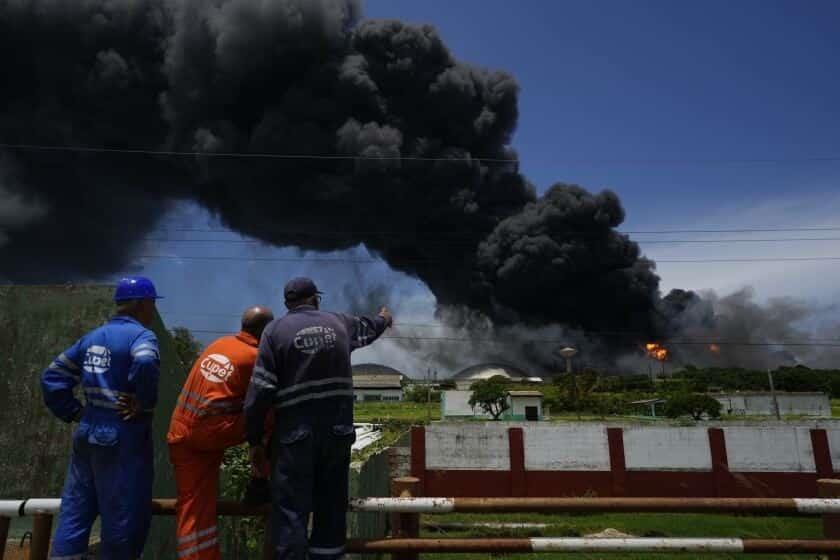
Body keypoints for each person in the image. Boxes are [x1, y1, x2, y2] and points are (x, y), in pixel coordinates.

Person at [244, 277, 392, 560]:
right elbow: (370, 327)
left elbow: (260, 390)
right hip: (337, 432)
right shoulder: (339, 323)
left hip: (294, 436)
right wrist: (384, 318)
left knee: (291, 510)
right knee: (331, 507)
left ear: (287, 304)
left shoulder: (274, 331)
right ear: (315, 299)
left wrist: (254, 439)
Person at [41, 276, 163, 559]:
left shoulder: (92, 337)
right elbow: (145, 360)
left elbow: (52, 376)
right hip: (122, 434)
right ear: (144, 304)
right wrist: (143, 403)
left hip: (87, 430)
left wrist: (75, 411)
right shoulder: (142, 337)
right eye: (152, 304)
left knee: (76, 508)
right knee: (123, 513)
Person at [167, 305, 275, 560]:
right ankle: (261, 480)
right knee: (274, 413)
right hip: (210, 431)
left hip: (181, 432)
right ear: (266, 331)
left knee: (193, 505)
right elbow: (260, 404)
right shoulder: (255, 357)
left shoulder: (220, 343)